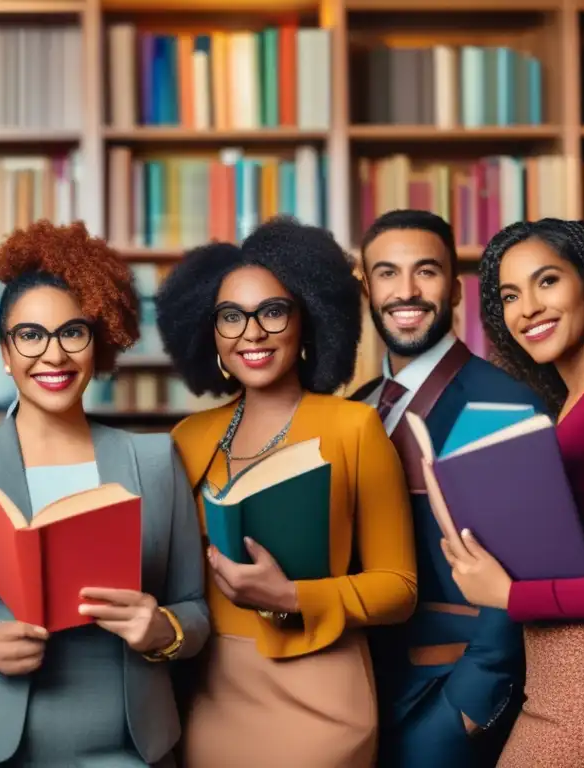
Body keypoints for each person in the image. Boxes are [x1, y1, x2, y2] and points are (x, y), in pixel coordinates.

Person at [0, 220, 210, 767]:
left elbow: (196, 612)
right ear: (4, 351)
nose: (53, 355)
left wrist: (161, 628)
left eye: (73, 332)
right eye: (30, 336)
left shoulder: (156, 461)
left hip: (123, 746)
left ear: (98, 343)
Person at [155, 215, 418, 767]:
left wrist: (294, 597)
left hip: (320, 695)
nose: (251, 333)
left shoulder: (354, 428)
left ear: (310, 320)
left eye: (272, 312)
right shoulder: (186, 438)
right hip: (211, 695)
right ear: (210, 333)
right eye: (231, 317)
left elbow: (400, 588)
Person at [425, 218, 584, 767]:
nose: (527, 307)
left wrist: (513, 596)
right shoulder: (577, 401)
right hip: (563, 679)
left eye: (547, 281)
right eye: (510, 295)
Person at [351, 210, 544, 767]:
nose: (406, 291)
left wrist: (469, 706)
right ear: (367, 288)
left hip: (447, 699)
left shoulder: (503, 403)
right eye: (387, 273)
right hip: (355, 692)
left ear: (455, 290)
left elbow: (523, 577)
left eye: (426, 271)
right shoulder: (354, 407)